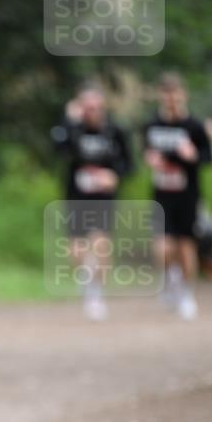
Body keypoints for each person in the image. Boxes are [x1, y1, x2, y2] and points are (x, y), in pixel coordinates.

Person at [51, 85, 133, 320]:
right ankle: (86, 280)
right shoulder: (72, 130)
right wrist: (67, 120)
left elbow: (129, 164)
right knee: (76, 249)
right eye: (87, 108)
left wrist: (114, 176)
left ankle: (96, 293)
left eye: (96, 108)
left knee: (100, 244)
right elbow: (58, 149)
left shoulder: (115, 132)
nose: (92, 112)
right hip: (76, 196)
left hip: (103, 198)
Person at [142, 73, 212, 320]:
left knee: (186, 245)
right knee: (162, 248)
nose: (171, 98)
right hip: (162, 195)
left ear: (183, 95)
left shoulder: (194, 126)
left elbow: (208, 157)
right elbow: (145, 151)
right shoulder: (152, 125)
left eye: (175, 93)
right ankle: (172, 278)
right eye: (166, 93)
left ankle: (186, 294)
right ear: (161, 96)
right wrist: (150, 159)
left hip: (188, 196)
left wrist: (192, 155)